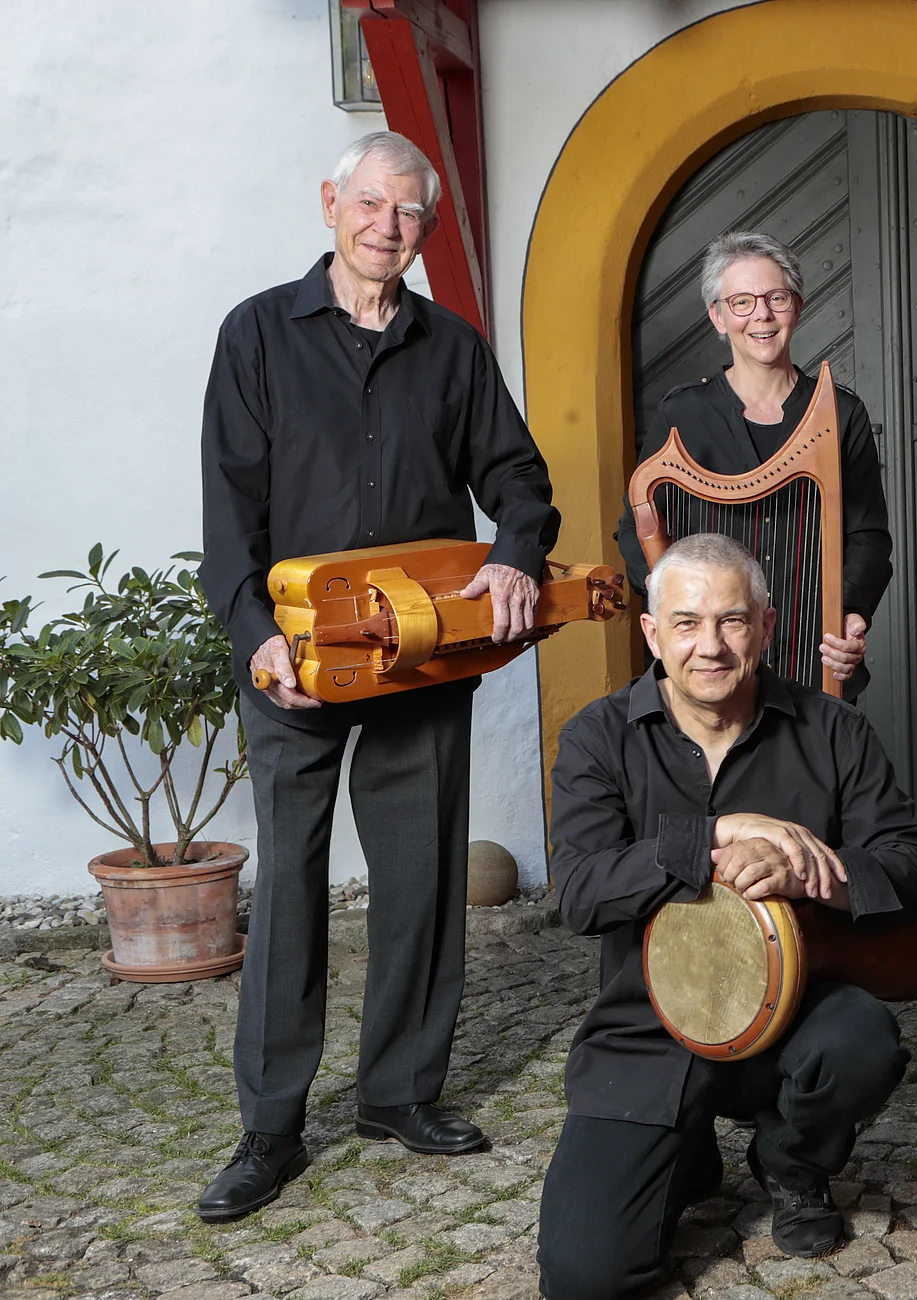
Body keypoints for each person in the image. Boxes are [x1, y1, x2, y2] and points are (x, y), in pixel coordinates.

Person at [195, 132, 561, 1220]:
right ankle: (270, 1126)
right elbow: (229, 507)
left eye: (406, 212)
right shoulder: (257, 333)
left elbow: (519, 476)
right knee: (290, 884)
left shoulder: (454, 347)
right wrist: (254, 635)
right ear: (330, 203)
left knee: (421, 879)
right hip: (297, 659)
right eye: (368, 203)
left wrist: (515, 554)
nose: (385, 226)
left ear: (426, 228)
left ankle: (400, 1092)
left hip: (423, 653)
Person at [539, 534, 917, 1296]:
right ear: (652, 633)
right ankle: (683, 1154)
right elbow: (581, 893)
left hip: (795, 1011)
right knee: (585, 1277)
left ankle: (790, 1160)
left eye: (732, 620)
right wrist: (712, 835)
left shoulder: (833, 730)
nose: (711, 646)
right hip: (649, 1029)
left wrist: (811, 873)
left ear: (765, 626)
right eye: (686, 623)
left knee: (861, 1042)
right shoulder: (598, 736)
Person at [615, 231, 892, 692]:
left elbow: (867, 536)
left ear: (796, 307)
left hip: (811, 654)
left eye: (776, 298)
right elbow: (634, 528)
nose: (761, 315)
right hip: (711, 660)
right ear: (718, 317)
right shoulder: (683, 412)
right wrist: (680, 607)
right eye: (741, 302)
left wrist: (850, 614)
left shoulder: (841, 413)